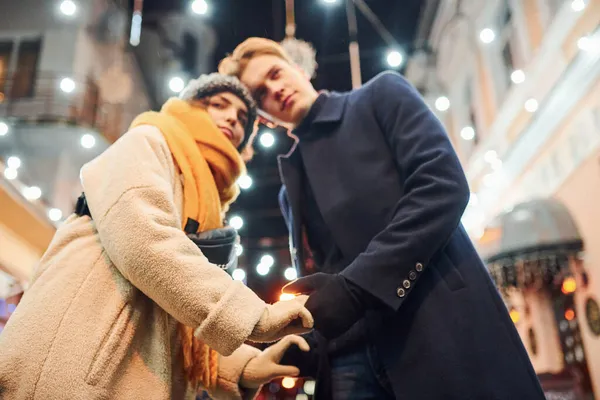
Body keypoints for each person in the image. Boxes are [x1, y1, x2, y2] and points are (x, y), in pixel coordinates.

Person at [219, 38, 547, 399]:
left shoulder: (379, 97)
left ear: (298, 68)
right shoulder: (288, 190)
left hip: (434, 326)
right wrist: (308, 344)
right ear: (263, 117)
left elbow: (442, 185)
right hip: (347, 362)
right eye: (261, 93)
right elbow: (328, 273)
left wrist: (355, 289)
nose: (275, 90)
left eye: (276, 73)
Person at [0, 73, 314, 400]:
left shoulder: (207, 205)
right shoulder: (149, 141)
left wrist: (246, 366)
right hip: (72, 367)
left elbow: (175, 315)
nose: (232, 117)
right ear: (188, 108)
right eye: (218, 105)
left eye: (243, 118)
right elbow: (145, 238)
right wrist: (254, 315)